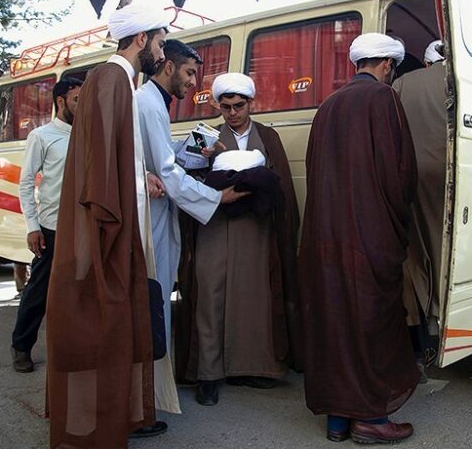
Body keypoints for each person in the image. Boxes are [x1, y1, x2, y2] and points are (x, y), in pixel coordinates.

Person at [45, 5, 170, 448]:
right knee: (107, 323)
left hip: (113, 222)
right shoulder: (113, 79)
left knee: (116, 324)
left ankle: (116, 418)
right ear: (141, 40)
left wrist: (141, 177)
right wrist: (110, 231)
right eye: (158, 41)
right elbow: (100, 173)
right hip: (109, 228)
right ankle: (99, 426)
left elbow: (113, 157)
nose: (161, 50)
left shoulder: (113, 80)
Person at [298, 33, 419, 444]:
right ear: (386, 65)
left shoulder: (327, 106)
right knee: (371, 322)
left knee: (336, 321)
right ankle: (370, 418)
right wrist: (399, 224)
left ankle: (337, 422)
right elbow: (399, 172)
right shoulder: (382, 99)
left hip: (324, 236)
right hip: (368, 234)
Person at [177, 72, 302, 407]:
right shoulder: (205, 136)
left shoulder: (268, 137)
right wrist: (207, 168)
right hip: (214, 226)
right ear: (218, 106)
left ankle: (252, 366)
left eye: (238, 106)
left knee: (254, 298)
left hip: (257, 231)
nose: (232, 113)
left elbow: (283, 188)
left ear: (251, 103)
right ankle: (208, 375)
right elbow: (184, 179)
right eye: (226, 106)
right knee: (210, 298)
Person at [135, 40, 245, 413]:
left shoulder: (153, 104)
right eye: (189, 73)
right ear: (168, 67)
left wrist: (198, 147)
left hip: (160, 215)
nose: (193, 82)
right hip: (151, 218)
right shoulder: (148, 104)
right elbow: (166, 171)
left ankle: (153, 392)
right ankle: (148, 398)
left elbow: (163, 157)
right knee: (153, 303)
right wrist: (215, 198)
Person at [11, 76, 82, 374]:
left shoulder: (89, 134)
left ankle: (73, 349)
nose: (83, 106)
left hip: (83, 227)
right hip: (51, 227)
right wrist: (32, 226)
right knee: (39, 290)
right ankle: (21, 346)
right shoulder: (42, 136)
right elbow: (26, 183)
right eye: (77, 100)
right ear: (60, 100)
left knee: (79, 291)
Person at [392, 39, 452, 381]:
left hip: (414, 182)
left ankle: (425, 338)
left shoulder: (402, 84)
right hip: (458, 178)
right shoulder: (464, 79)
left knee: (416, 259)